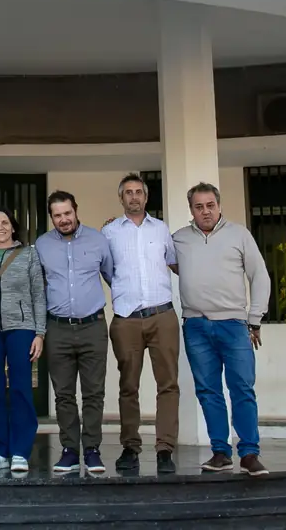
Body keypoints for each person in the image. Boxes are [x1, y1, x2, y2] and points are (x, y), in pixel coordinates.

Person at [173, 182, 272, 477]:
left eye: (210, 205)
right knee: (208, 390)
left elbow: (260, 276)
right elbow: (151, 254)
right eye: (198, 206)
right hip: (196, 326)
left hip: (234, 325)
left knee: (242, 388)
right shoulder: (179, 239)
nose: (205, 211)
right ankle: (220, 452)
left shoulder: (239, 235)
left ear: (219, 205)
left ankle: (250, 453)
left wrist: (255, 319)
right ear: (191, 210)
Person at [101, 173, 181, 475]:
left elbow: (174, 264)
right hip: (127, 319)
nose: (134, 197)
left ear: (146, 197)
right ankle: (130, 448)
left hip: (162, 315)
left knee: (168, 384)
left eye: (139, 192)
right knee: (128, 386)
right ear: (121, 198)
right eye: (128, 193)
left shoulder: (161, 230)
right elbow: (107, 271)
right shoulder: (109, 232)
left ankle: (165, 450)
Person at [35, 191, 114, 475]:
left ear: (75, 211)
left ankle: (91, 450)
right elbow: (38, 286)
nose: (63, 219)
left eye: (67, 213)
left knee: (94, 393)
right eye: (57, 215)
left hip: (93, 325)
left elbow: (111, 275)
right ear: (51, 217)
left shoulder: (98, 240)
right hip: (58, 328)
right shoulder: (41, 245)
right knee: (64, 394)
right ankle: (69, 450)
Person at [0, 207, 46, 474]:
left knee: (20, 388)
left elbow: (38, 294)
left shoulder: (28, 254)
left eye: (4, 222)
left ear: (13, 226)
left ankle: (20, 450)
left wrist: (40, 332)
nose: (0, 227)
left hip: (22, 327)